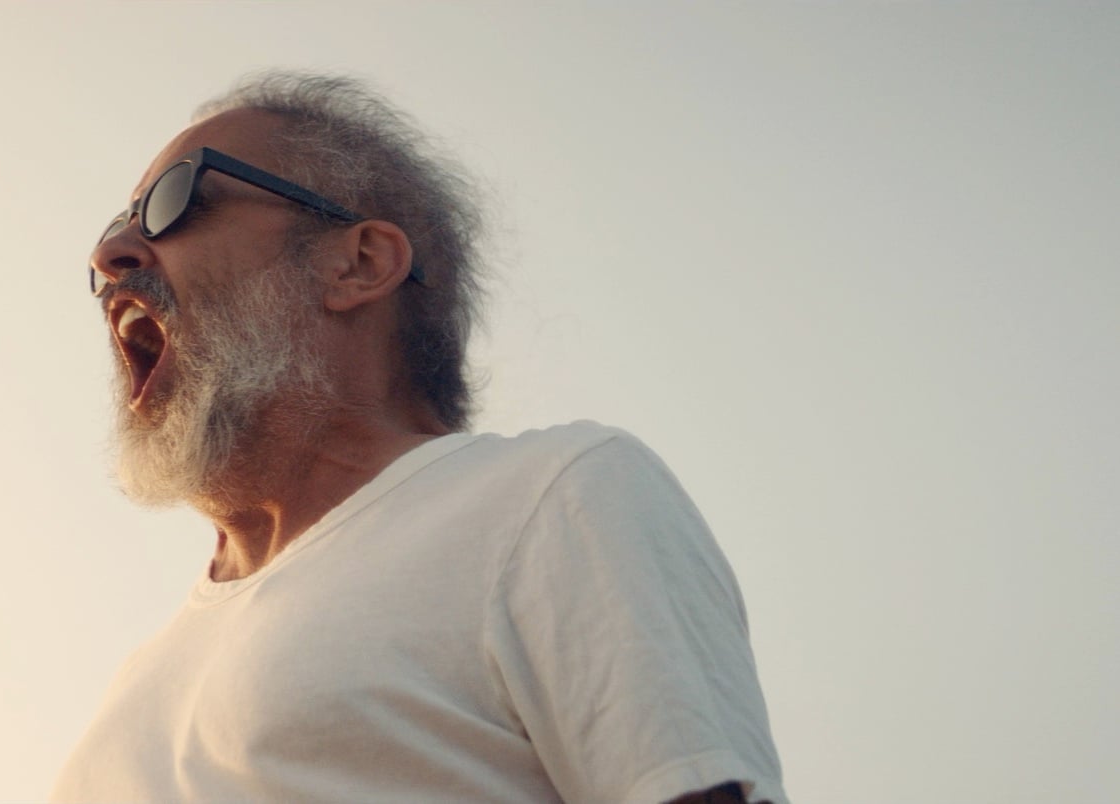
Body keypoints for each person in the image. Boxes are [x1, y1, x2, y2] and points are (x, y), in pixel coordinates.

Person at [53, 71, 786, 804]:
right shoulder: (135, 687)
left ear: (358, 263)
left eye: (173, 200)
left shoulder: (550, 495)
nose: (111, 251)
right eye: (116, 222)